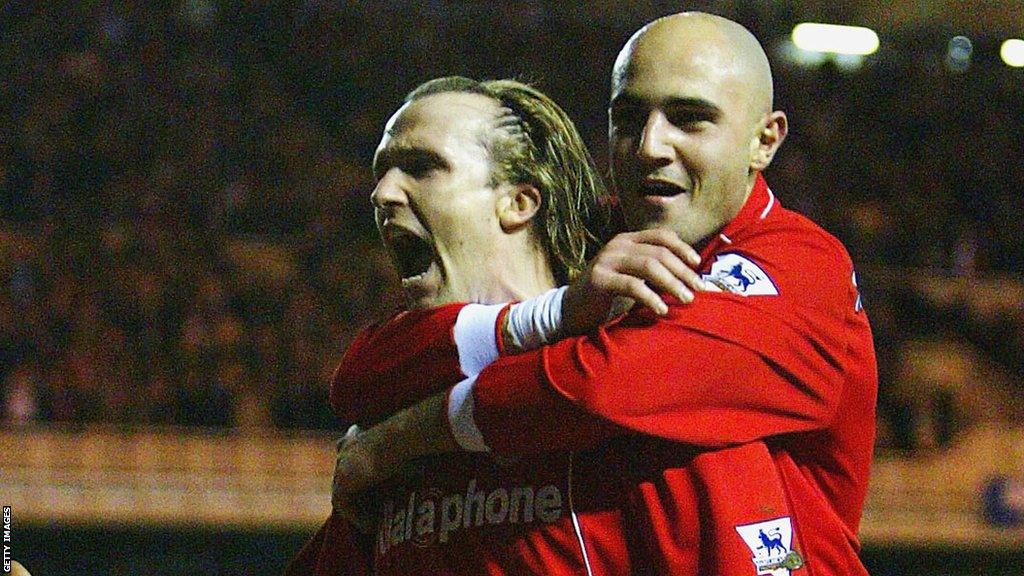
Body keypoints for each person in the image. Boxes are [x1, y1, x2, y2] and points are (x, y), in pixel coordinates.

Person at [332, 12, 878, 576]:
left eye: (690, 120)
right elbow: (364, 376)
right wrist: (546, 316)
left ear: (764, 140)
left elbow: (606, 385)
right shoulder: (590, 249)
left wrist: (396, 442)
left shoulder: (803, 270)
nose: (649, 146)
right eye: (629, 117)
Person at [286, 76, 707, 575]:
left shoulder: (629, 382)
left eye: (422, 168)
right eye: (382, 173)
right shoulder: (386, 425)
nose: (382, 193)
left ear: (519, 203)